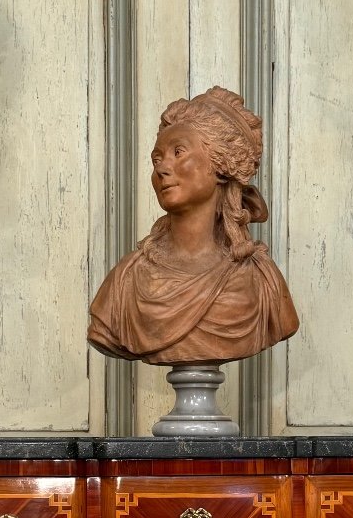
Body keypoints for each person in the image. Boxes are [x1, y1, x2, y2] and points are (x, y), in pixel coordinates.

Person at [88, 87, 299, 366]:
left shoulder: (263, 281)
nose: (163, 168)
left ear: (220, 166)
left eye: (179, 152)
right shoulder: (126, 281)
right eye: (157, 159)